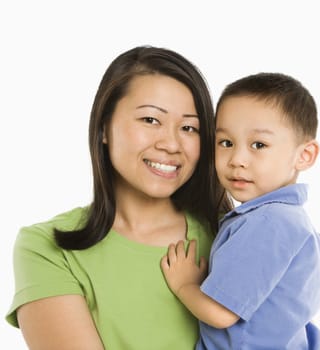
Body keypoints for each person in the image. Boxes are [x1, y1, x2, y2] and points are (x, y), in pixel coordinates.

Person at [6, 45, 230, 350]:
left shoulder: (232, 237)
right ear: (104, 128)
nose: (171, 143)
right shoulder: (48, 248)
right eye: (150, 120)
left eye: (189, 127)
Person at [161, 72, 320, 349]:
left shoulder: (267, 222)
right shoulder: (292, 221)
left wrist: (185, 285)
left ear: (304, 155)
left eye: (259, 145)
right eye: (226, 143)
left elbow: (221, 314)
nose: (237, 159)